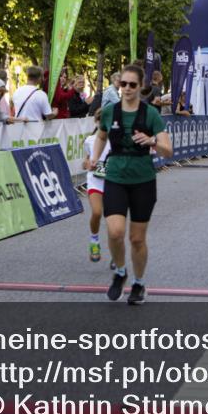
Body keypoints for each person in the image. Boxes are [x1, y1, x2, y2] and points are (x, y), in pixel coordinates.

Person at [91, 65, 172, 305]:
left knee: (137, 239)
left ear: (140, 87)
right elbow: (101, 136)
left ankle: (138, 283)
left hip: (143, 180)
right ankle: (120, 272)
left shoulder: (150, 114)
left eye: (132, 85)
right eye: (123, 84)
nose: (126, 89)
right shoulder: (108, 112)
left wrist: (152, 140)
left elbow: (168, 150)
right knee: (115, 232)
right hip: (115, 176)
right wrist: (95, 158)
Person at [81, 125, 111, 263]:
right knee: (97, 212)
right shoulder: (90, 140)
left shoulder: (119, 139)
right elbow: (85, 162)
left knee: (113, 220)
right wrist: (88, 164)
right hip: (95, 181)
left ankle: (117, 252)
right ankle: (94, 241)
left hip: (114, 182)